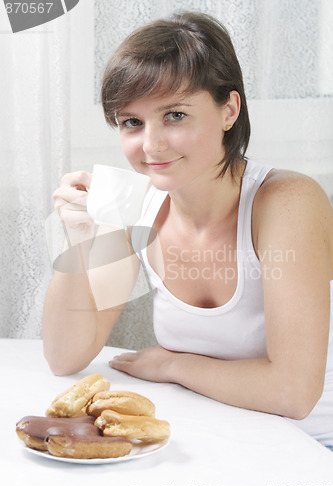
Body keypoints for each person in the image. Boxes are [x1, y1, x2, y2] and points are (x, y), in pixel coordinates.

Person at [42, 12, 333, 448]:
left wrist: (173, 365)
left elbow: (293, 393)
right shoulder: (136, 204)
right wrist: (79, 241)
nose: (151, 144)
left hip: (311, 449)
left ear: (229, 110)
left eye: (175, 115)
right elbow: (65, 356)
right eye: (132, 122)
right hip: (217, 440)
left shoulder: (286, 202)